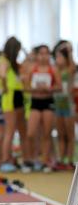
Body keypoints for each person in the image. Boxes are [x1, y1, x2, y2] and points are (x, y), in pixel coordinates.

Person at [24, 45, 61, 173]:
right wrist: (35, 89)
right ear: (37, 55)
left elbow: (59, 86)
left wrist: (49, 89)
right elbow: (26, 87)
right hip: (35, 102)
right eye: (41, 53)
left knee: (46, 133)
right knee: (31, 133)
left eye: (46, 54)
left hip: (47, 102)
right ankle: (32, 159)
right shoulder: (32, 69)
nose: (43, 56)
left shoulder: (53, 69)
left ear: (49, 55)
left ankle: (45, 160)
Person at [0, 37, 29, 173]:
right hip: (9, 97)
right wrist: (3, 87)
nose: (19, 53)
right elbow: (2, 76)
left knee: (22, 130)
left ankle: (25, 158)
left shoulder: (12, 62)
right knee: (10, 130)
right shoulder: (3, 61)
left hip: (18, 94)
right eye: (18, 50)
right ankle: (5, 159)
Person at [53, 40, 75, 170]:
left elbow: (72, 64)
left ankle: (70, 159)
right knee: (61, 134)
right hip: (58, 105)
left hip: (68, 105)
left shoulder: (70, 69)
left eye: (60, 56)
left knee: (70, 135)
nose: (57, 59)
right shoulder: (55, 70)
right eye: (56, 57)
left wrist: (69, 51)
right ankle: (61, 158)